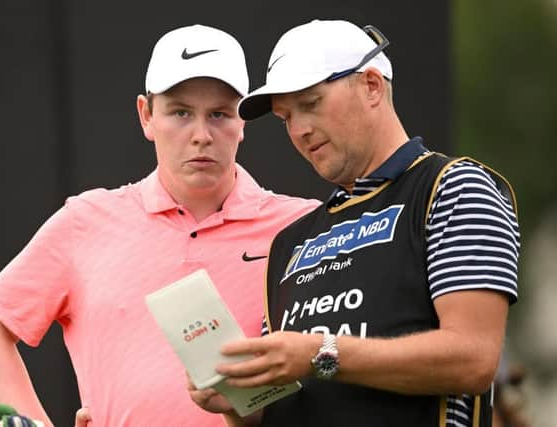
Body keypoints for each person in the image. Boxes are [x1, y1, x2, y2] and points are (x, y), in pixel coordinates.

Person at [0, 24, 320, 427]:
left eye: (219, 114)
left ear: (243, 123)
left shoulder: (303, 225)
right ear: (146, 116)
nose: (201, 135)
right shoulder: (86, 221)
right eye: (181, 112)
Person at [189, 19, 520, 426]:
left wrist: (320, 353)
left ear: (372, 86)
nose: (300, 130)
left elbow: (474, 358)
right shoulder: (290, 242)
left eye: (311, 103)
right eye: (286, 117)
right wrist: (236, 402)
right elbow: (281, 410)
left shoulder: (451, 186)